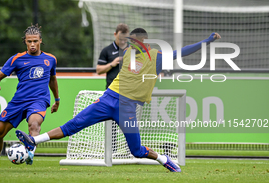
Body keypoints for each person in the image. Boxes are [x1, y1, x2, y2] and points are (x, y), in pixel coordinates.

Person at [16, 28, 221, 172]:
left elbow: (182, 53)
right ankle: (34, 141)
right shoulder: (129, 53)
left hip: (127, 108)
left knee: (137, 151)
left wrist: (206, 42)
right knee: (73, 125)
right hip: (108, 99)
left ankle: (164, 159)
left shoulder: (156, 56)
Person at [0, 24, 60, 170]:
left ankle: (30, 153)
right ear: (25, 42)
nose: (32, 44)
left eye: (35, 41)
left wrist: (57, 99)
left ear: (41, 40)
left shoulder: (51, 59)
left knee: (34, 125)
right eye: (29, 41)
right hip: (19, 101)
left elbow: (52, 80)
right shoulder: (17, 59)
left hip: (39, 100)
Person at [96, 23, 129, 89]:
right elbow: (98, 70)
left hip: (129, 90)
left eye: (125, 39)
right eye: (120, 39)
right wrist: (111, 64)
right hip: (112, 91)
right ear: (115, 34)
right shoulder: (107, 50)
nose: (122, 42)